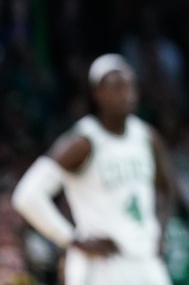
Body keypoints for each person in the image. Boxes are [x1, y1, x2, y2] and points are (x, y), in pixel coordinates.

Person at [12, 53, 175, 285]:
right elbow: (27, 195)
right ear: (97, 93)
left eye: (130, 86)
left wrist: (160, 227)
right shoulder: (83, 142)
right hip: (103, 265)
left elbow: (166, 188)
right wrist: (71, 239)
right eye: (117, 87)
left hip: (145, 259)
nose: (126, 94)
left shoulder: (146, 137)